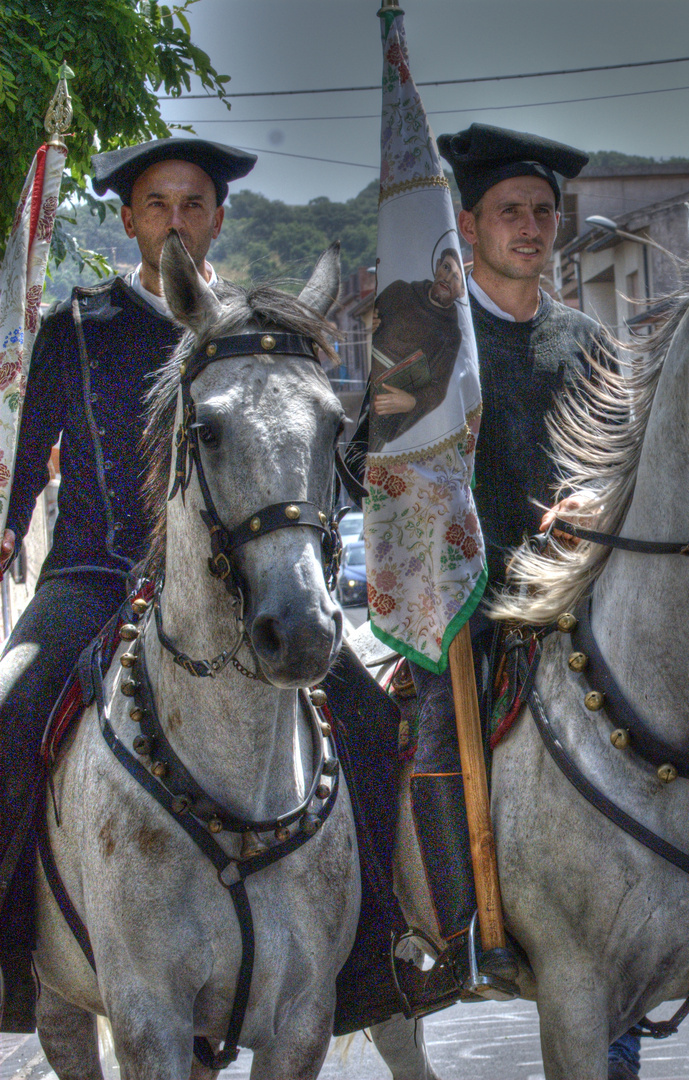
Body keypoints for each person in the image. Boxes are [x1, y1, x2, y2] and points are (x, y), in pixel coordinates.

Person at [0, 137, 413, 1032]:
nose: (176, 221)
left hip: (232, 596)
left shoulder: (254, 334)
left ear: (218, 218)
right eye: (158, 204)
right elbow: (27, 462)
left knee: (374, 717)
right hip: (90, 577)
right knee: (11, 705)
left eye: (194, 205)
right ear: (128, 219)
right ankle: (8, 952)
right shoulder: (80, 328)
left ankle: (379, 955)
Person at [354, 122, 609, 994]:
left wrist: (600, 502)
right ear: (468, 227)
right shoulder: (430, 342)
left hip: (585, 600)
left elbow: (630, 466)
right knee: (433, 728)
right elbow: (369, 463)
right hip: (475, 606)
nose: (531, 227)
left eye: (544, 211)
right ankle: (465, 935)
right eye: (510, 212)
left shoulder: (589, 342)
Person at [368, 246, 467, 444]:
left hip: (387, 411)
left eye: (456, 277)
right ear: (437, 266)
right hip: (365, 391)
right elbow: (361, 333)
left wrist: (412, 401)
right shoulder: (399, 291)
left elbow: (438, 389)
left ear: (462, 291)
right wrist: (367, 327)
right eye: (446, 268)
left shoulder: (451, 335)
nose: (447, 279)